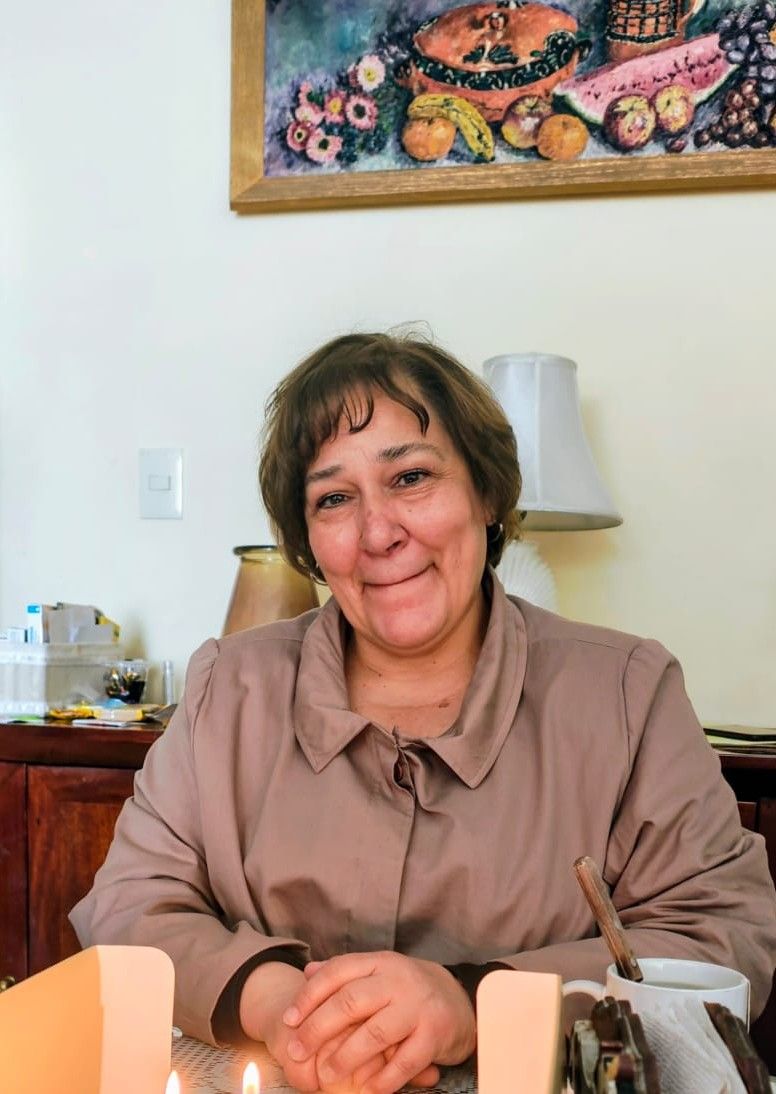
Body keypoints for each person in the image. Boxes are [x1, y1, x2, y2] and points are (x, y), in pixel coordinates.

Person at [71, 332, 776, 1094]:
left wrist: (476, 1004)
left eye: (411, 477)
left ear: (486, 493)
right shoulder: (225, 688)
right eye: (334, 498)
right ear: (308, 541)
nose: (379, 533)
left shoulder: (628, 694)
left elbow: (723, 933)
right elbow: (128, 907)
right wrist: (278, 1005)